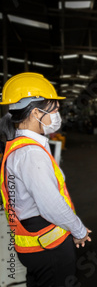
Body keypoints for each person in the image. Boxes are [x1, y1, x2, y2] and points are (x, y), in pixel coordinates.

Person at [0, 72, 91, 286]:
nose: (58, 113)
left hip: (35, 244)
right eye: (53, 108)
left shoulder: (19, 147)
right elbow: (51, 205)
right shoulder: (31, 154)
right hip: (48, 247)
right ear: (35, 113)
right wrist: (78, 230)